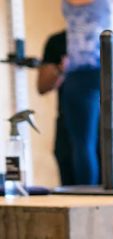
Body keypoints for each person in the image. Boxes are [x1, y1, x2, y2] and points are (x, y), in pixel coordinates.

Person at [60, 0, 113, 185]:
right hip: (87, 69)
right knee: (88, 144)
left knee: (90, 143)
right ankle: (91, 203)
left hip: (102, 65)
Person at [37, 30, 74, 186]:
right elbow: (42, 86)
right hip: (67, 126)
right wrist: (61, 70)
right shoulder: (58, 42)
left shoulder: (111, 31)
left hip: (105, 129)